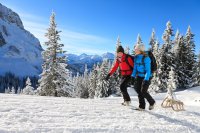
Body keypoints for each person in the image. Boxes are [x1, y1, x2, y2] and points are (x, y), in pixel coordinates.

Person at [131, 43, 155, 111]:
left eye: (136, 49)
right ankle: (142, 106)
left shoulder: (146, 58)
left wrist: (146, 79)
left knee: (143, 91)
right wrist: (132, 76)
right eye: (135, 49)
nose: (135, 50)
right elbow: (135, 69)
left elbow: (148, 70)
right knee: (138, 90)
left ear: (140, 50)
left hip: (147, 76)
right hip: (139, 76)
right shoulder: (136, 58)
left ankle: (152, 102)